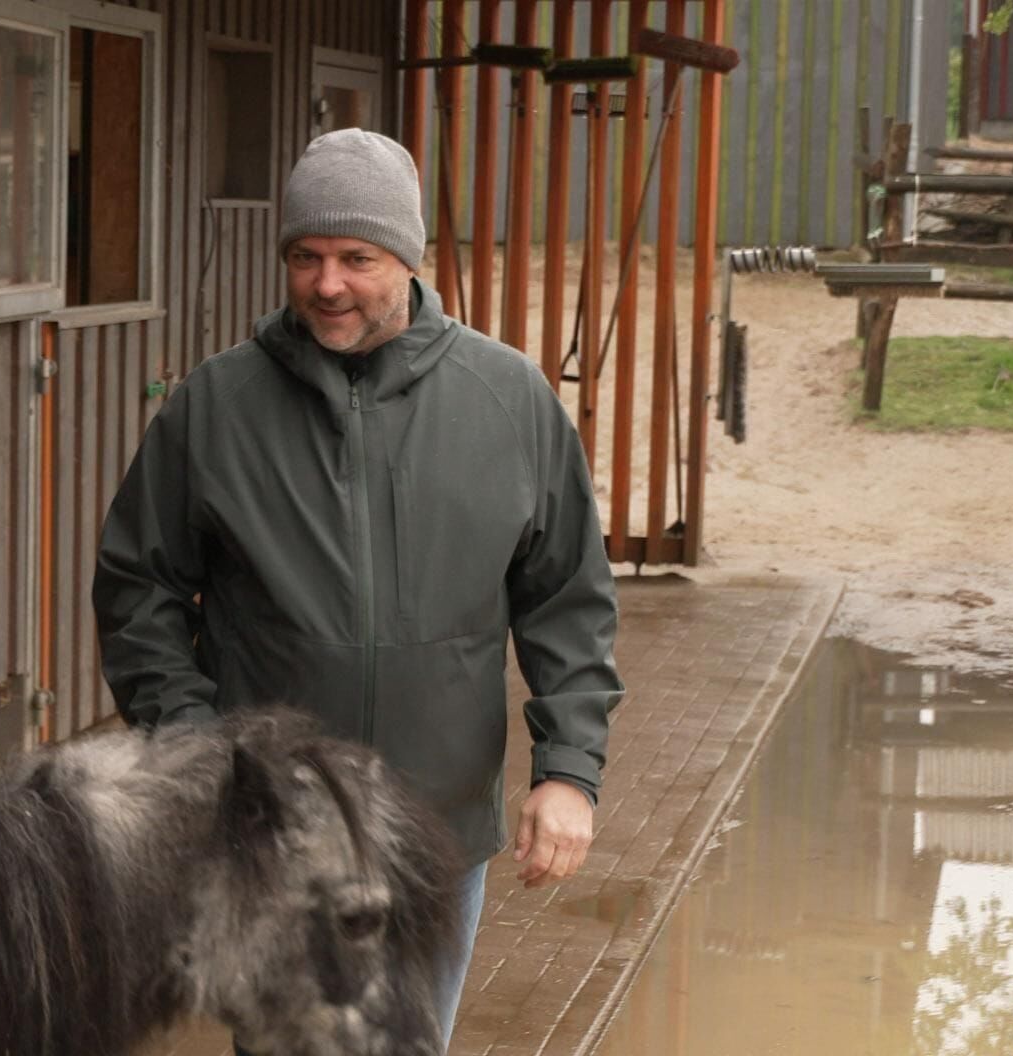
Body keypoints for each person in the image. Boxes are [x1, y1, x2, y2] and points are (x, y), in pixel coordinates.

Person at [92, 128, 623, 1047]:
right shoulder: (216, 406)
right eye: (305, 256)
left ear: (407, 261)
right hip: (275, 835)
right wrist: (196, 744)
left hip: (438, 833)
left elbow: (565, 596)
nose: (326, 283)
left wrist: (569, 770)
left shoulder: (509, 400)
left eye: (355, 257)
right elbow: (137, 588)